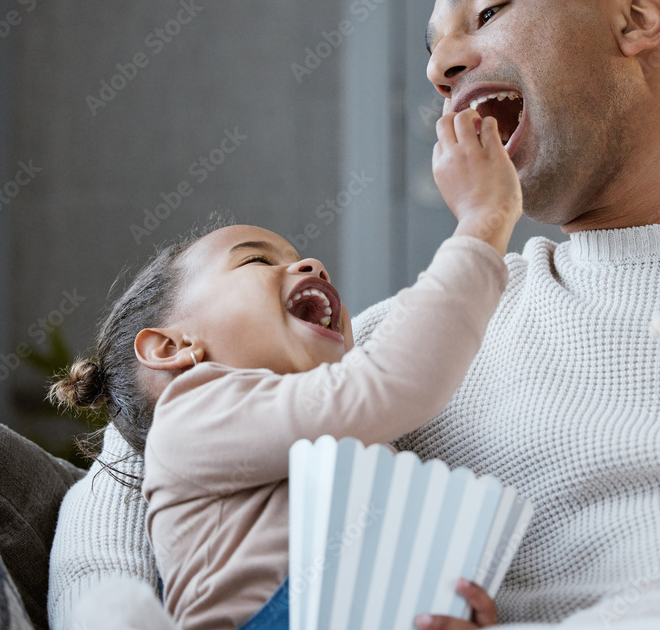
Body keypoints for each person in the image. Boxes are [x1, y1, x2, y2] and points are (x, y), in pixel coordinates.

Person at [50, 0, 660, 628]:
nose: (440, 70)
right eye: (432, 54)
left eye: (486, 12)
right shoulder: (413, 334)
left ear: (638, 19)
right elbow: (135, 463)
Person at [49, 109, 520, 630]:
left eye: (297, 257)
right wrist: (483, 220)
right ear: (171, 348)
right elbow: (393, 381)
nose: (309, 265)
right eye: (255, 261)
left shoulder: (362, 449)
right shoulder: (195, 412)